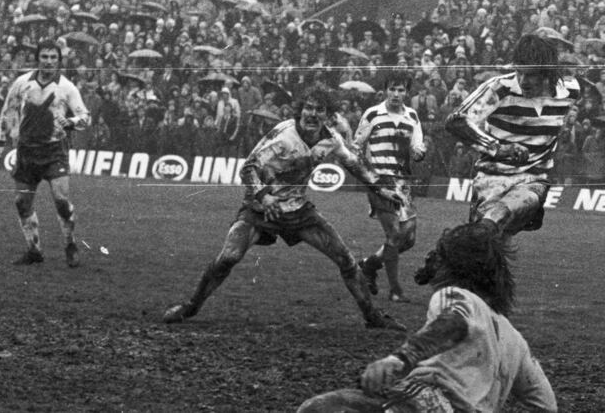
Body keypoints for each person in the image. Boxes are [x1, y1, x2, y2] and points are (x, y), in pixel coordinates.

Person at [163, 87, 407, 331]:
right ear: (300, 110)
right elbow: (248, 168)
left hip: (298, 211)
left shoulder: (331, 140)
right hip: (260, 210)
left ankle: (373, 318)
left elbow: (355, 165)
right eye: (308, 108)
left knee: (345, 259)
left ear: (328, 115)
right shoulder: (283, 136)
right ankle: (191, 306)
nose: (312, 114)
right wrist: (265, 197)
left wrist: (381, 190)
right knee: (228, 257)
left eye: (319, 110)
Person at [297, 221, 557, 413]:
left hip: (428, 403)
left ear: (454, 264)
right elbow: (545, 405)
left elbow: (454, 321)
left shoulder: (455, 295)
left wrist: (399, 359)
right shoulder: (516, 341)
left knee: (318, 409)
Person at [445, 34, 579, 241]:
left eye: (531, 74)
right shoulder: (500, 88)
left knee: (496, 220)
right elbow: (456, 121)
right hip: (492, 179)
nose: (523, 81)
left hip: (533, 180)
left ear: (547, 73)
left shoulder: (570, 92)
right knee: (485, 249)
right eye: (519, 72)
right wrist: (497, 149)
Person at [0, 40, 90, 267]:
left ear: (59, 61)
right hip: (27, 151)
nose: (49, 61)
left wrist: (71, 122)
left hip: (54, 150)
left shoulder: (67, 87)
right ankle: (34, 250)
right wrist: (1, 139)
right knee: (22, 202)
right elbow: (7, 110)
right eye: (45, 57)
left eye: (53, 58)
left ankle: (70, 243)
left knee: (61, 200)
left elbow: (85, 117)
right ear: (38, 59)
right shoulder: (22, 82)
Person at [354, 71, 426, 303]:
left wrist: (418, 152)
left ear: (407, 92)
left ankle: (368, 266)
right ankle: (395, 290)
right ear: (385, 91)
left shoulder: (412, 116)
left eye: (401, 90)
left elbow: (417, 146)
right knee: (394, 233)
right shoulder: (373, 114)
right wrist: (368, 176)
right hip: (380, 181)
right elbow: (357, 145)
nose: (396, 94)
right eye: (392, 89)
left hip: (402, 182)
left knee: (409, 238)